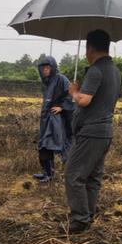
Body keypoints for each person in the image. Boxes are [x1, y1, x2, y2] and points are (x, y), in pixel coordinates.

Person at [65, 29, 121, 233]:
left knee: (73, 174)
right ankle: (88, 216)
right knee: (92, 177)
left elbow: (84, 100)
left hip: (91, 132)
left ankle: (80, 220)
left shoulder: (96, 70)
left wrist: (74, 92)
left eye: (86, 50)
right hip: (105, 132)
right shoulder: (114, 71)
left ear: (89, 48)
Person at [35, 55, 73, 183]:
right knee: (43, 146)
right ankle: (48, 173)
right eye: (43, 68)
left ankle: (70, 175)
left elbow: (72, 94)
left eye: (48, 67)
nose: (45, 70)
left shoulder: (61, 79)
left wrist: (62, 107)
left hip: (57, 119)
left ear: (53, 67)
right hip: (46, 118)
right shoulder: (45, 82)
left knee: (59, 143)